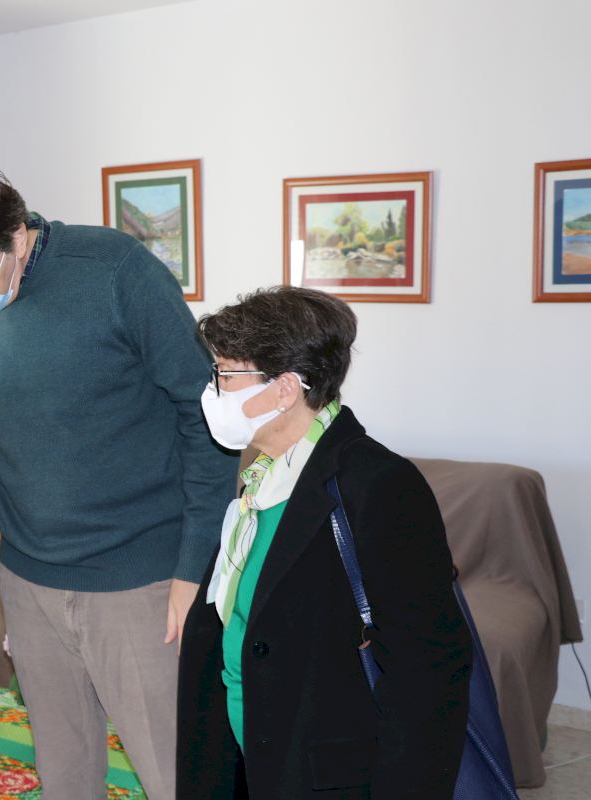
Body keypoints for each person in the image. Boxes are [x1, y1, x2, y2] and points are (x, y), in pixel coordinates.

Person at [0, 167, 237, 800]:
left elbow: (207, 415)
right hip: (28, 576)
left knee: (175, 774)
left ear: (16, 239)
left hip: (139, 579)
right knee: (65, 775)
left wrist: (195, 568)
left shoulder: (115, 271)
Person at [176, 286, 473, 798]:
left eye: (225, 374)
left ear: (285, 389)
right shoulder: (263, 474)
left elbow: (429, 670)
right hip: (246, 753)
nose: (213, 389)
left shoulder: (378, 484)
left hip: (325, 772)